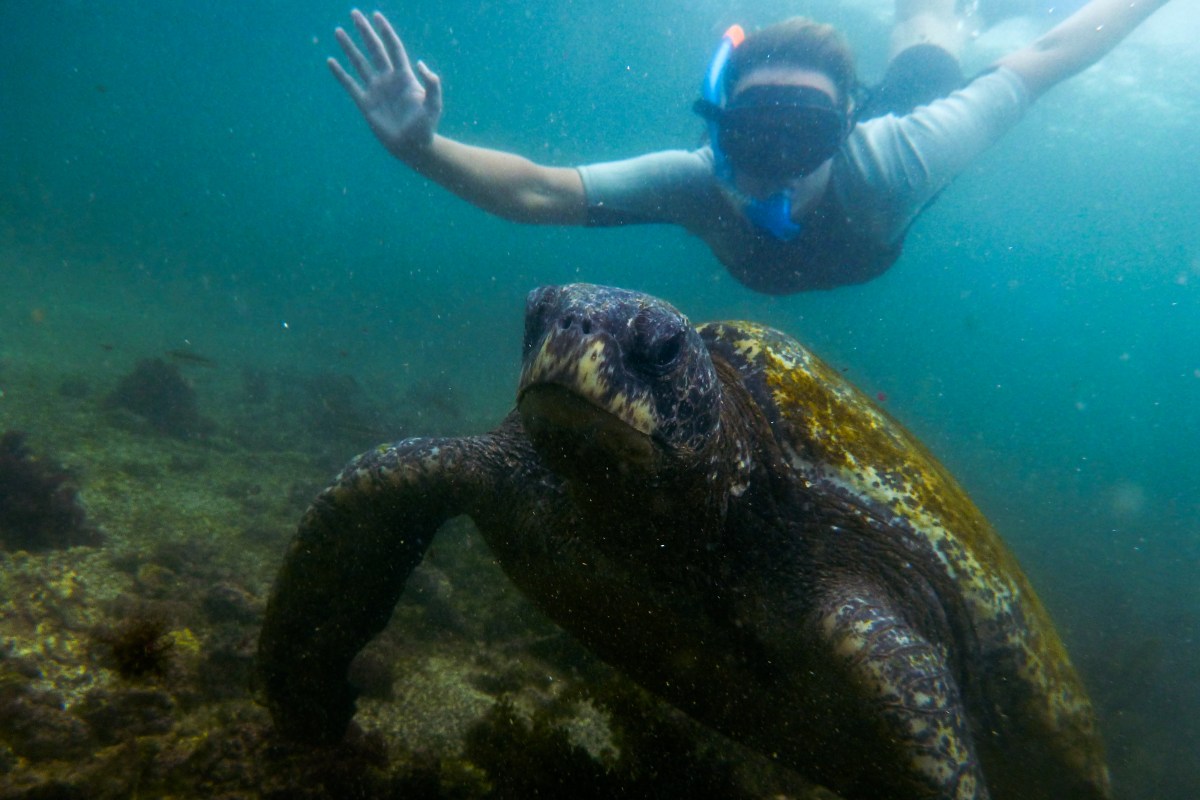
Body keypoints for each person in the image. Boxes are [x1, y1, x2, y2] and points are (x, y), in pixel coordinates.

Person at [327, 0, 1171, 294]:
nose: (773, 162)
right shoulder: (697, 182)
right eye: (753, 133)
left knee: (928, 43)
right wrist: (423, 150)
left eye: (802, 135)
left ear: (843, 128)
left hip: (896, 122)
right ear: (719, 128)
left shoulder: (902, 153)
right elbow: (538, 191)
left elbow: (1052, 56)